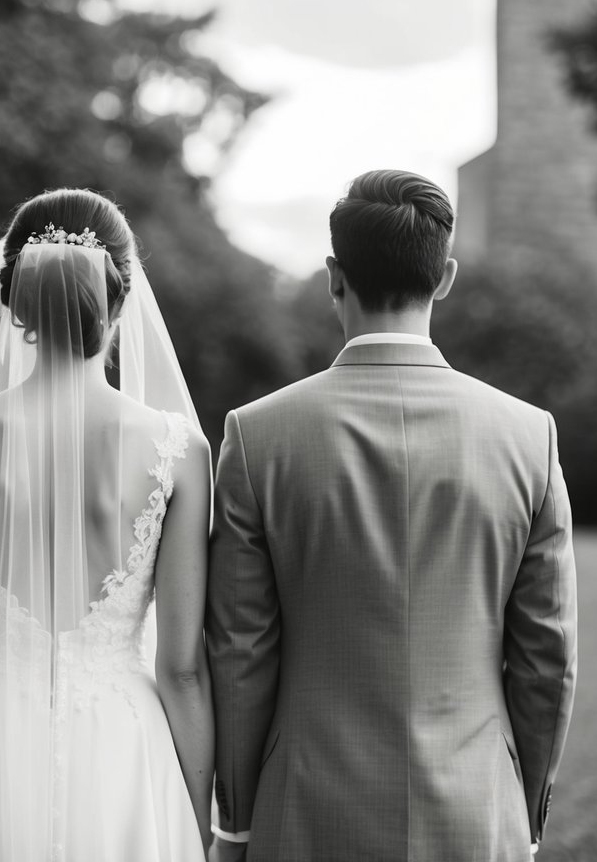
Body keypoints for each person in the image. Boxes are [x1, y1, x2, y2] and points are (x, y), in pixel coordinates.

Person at [206, 169, 577, 862]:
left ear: (332, 276)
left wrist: (236, 822)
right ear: (445, 277)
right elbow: (545, 660)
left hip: (305, 809)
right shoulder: (529, 436)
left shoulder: (256, 436)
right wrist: (520, 815)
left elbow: (238, 652)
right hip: (475, 807)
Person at [0, 188, 214, 862]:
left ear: (13, 301)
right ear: (120, 298)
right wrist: (197, 817)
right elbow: (182, 671)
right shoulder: (179, 451)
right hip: (123, 750)